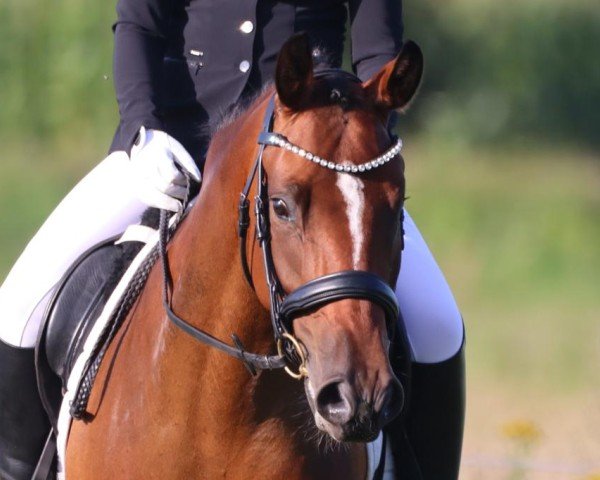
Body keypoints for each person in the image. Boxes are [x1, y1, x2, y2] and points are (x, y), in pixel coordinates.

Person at [0, 1, 465, 479]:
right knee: (18, 305)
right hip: (176, 146)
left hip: (308, 153)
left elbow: (379, 45)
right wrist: (144, 127)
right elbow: (140, 21)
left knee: (438, 325)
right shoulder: (161, 143)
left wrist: (363, 134)